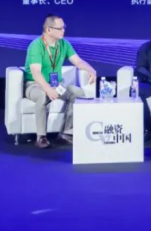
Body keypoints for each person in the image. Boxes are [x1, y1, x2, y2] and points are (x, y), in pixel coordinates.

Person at [23, 14, 97, 148]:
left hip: (56, 85)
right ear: (48, 30)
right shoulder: (36, 46)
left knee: (77, 93)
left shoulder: (64, 44)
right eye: (60, 28)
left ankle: (66, 134)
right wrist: (47, 89)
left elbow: (78, 61)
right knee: (42, 95)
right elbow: (36, 73)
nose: (63, 30)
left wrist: (91, 70)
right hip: (35, 85)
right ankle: (41, 137)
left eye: (64, 27)